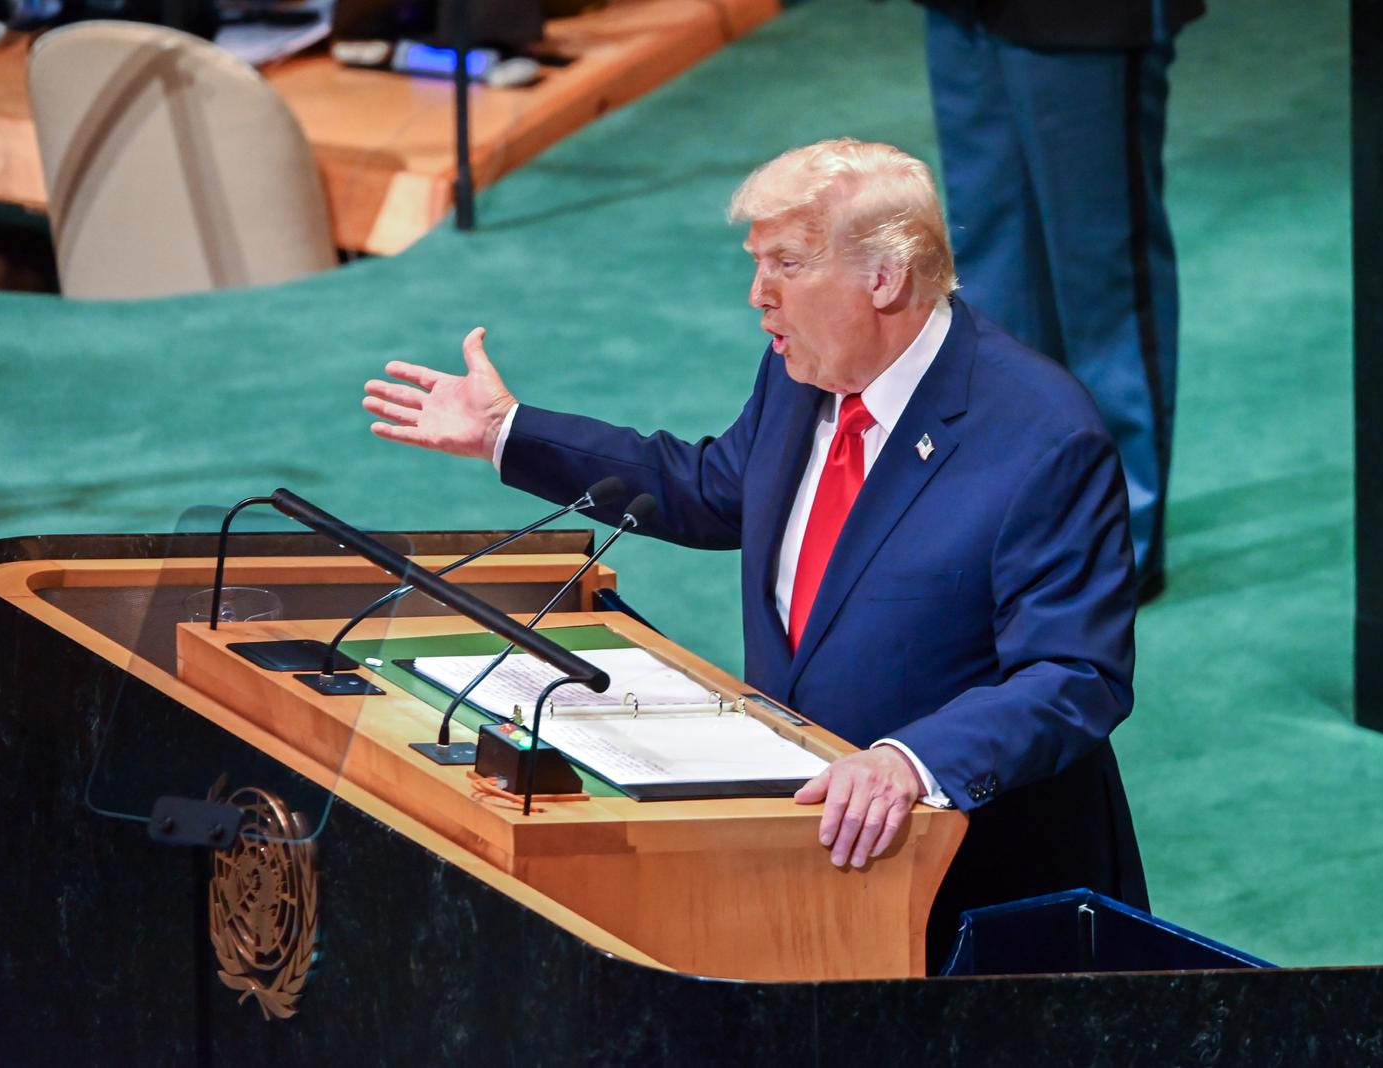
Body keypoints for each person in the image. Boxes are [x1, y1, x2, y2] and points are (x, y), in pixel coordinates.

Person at [363, 139, 1147, 968]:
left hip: (974, 889)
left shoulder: (1041, 435)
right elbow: (715, 486)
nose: (757, 296)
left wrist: (910, 763)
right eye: (757, 263)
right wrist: (506, 433)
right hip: (799, 855)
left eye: (786, 264)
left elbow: (1073, 675)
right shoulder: (803, 369)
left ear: (882, 278)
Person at [913, 0, 1204, 600]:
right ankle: (1014, 515)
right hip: (964, 12)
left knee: (1101, 275)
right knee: (990, 260)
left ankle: (1114, 538)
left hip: (1081, 18)